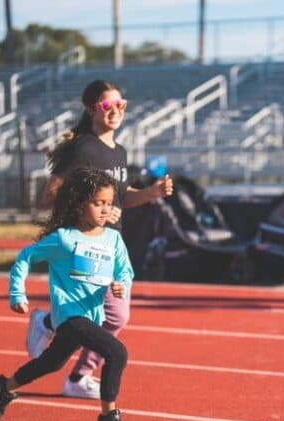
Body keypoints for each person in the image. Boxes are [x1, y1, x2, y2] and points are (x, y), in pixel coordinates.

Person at [25, 79, 173, 400]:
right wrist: (95, 210)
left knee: (104, 315)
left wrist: (151, 193)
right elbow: (50, 195)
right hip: (86, 243)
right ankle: (65, 353)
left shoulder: (118, 151)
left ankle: (62, 347)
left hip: (111, 244)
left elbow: (121, 196)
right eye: (108, 105)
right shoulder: (83, 149)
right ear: (91, 109)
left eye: (121, 104)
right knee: (109, 315)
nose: (115, 110)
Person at [0, 168, 136, 421]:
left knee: (51, 363)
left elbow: (125, 271)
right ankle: (108, 418)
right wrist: (17, 294)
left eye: (109, 203)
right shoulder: (64, 239)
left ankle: (4, 386)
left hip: (92, 316)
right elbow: (25, 258)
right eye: (98, 203)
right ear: (80, 204)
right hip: (69, 314)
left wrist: (121, 284)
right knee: (117, 352)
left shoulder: (113, 238)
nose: (106, 209)